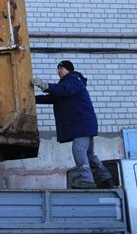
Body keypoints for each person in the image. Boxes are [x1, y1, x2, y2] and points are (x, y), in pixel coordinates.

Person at [32, 60, 113, 189]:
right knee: (89, 155)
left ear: (68, 69)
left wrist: (44, 85)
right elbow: (52, 97)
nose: (58, 71)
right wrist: (31, 99)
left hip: (83, 124)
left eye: (61, 68)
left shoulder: (75, 79)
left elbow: (63, 89)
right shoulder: (66, 86)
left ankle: (86, 180)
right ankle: (105, 179)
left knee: (78, 150)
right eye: (58, 69)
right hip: (83, 125)